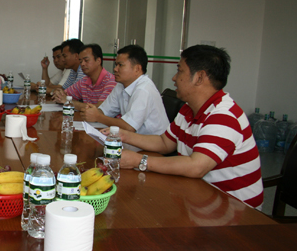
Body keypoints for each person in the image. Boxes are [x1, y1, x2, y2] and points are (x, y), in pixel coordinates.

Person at [105, 45, 263, 208]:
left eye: (180, 71)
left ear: (199, 77)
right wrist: (125, 135)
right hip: (200, 197)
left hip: (235, 209)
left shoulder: (224, 115)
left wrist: (139, 160)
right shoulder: (189, 109)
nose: (174, 78)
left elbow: (196, 166)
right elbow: (165, 142)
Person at [83, 45, 169, 135]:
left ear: (137, 69)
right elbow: (105, 111)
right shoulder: (121, 85)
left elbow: (129, 126)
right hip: (134, 139)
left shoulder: (144, 90)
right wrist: (92, 112)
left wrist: (98, 116)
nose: (115, 69)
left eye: (120, 65)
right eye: (116, 65)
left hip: (153, 142)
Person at [53, 44, 116, 110]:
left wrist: (68, 101)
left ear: (98, 61)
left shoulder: (111, 81)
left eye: (86, 60)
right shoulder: (84, 81)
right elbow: (63, 96)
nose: (82, 64)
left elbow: (100, 109)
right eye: (80, 61)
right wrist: (59, 94)